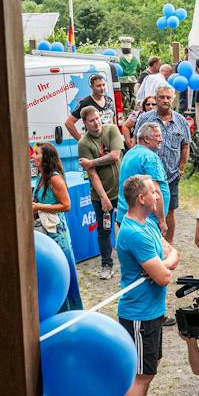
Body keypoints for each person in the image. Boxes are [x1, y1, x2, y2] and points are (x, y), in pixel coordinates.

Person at [114, 174, 179, 396]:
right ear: (141, 198)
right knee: (140, 375)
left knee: (149, 369)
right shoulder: (133, 233)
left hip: (152, 311)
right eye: (154, 192)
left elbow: (172, 253)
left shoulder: (149, 223)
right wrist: (163, 267)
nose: (157, 196)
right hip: (138, 314)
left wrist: (163, 265)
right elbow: (165, 276)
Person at [135, 86, 192, 238]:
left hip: (171, 176)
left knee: (169, 212)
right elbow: (137, 142)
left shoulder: (181, 121)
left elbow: (185, 145)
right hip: (148, 176)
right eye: (161, 97)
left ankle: (168, 244)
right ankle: (149, 242)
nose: (165, 100)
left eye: (168, 97)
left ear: (173, 99)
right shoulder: (145, 118)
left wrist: (181, 168)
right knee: (146, 210)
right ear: (156, 98)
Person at [31, 142, 81, 312]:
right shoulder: (40, 177)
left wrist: (38, 207)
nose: (33, 156)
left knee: (64, 274)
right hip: (44, 232)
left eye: (37, 153)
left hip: (56, 235)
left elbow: (66, 206)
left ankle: (70, 312)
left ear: (46, 157)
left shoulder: (54, 178)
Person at [74, 105, 123, 274]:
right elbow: (92, 174)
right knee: (104, 230)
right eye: (91, 121)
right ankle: (107, 265)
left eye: (97, 118)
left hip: (122, 191)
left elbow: (116, 155)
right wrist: (103, 197)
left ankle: (135, 262)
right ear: (85, 124)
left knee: (126, 226)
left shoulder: (111, 130)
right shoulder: (84, 143)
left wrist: (92, 161)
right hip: (100, 194)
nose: (96, 123)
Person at [116, 121, 170, 222]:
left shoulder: (130, 153)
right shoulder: (150, 157)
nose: (161, 140)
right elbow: (156, 191)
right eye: (157, 136)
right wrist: (162, 220)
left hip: (126, 216)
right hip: (145, 221)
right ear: (146, 139)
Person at [64, 73, 115, 141]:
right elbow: (69, 123)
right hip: (95, 144)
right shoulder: (85, 103)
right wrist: (81, 141)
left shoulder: (109, 100)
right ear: (91, 87)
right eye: (98, 86)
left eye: (103, 85)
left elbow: (113, 120)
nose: (102, 88)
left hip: (110, 141)